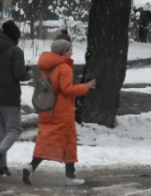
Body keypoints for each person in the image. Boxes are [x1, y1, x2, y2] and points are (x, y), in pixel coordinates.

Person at [23, 38, 96, 186]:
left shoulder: (47, 67)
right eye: (70, 49)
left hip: (48, 110)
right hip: (62, 111)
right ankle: (70, 177)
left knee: (46, 142)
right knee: (69, 142)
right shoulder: (64, 68)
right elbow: (67, 90)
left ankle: (31, 167)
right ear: (63, 52)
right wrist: (86, 87)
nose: (72, 51)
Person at [0, 20, 32, 176]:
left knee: (0, 133)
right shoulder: (15, 51)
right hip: (10, 96)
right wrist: (28, 73)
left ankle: (3, 167)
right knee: (14, 129)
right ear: (14, 37)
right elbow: (19, 74)